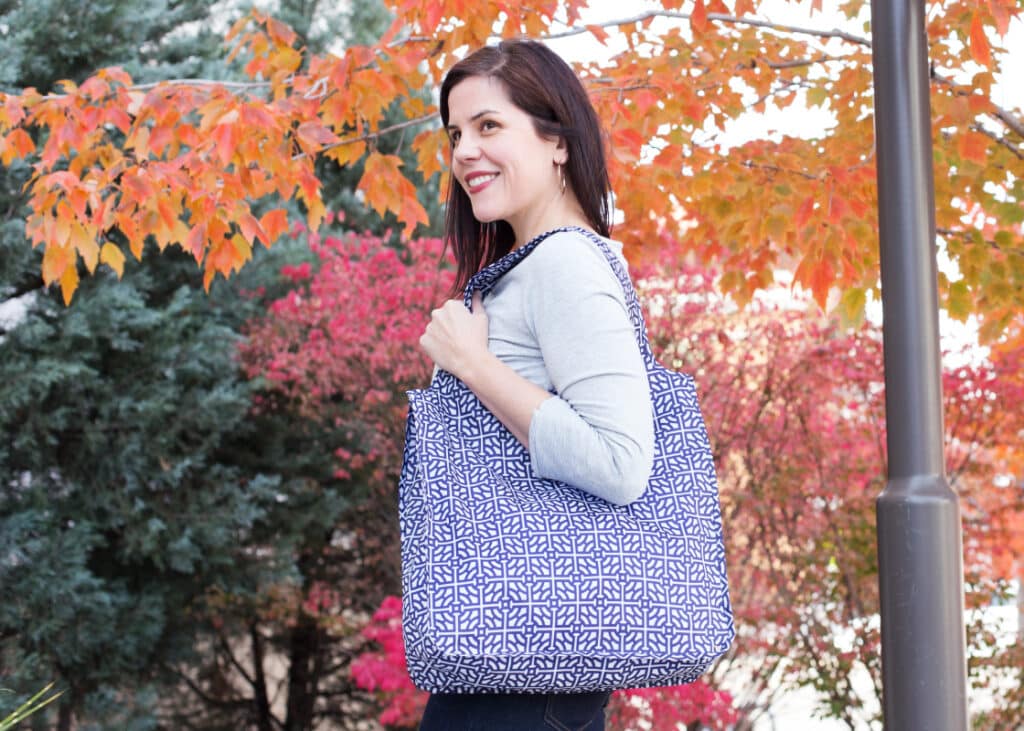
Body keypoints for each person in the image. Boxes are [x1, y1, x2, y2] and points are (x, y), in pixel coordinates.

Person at [415, 39, 654, 731]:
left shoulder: (566, 266)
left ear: (555, 140)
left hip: (526, 667)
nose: (464, 150)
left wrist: (473, 364)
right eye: (456, 133)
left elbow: (620, 462)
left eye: (489, 126)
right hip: (504, 652)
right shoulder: (531, 266)